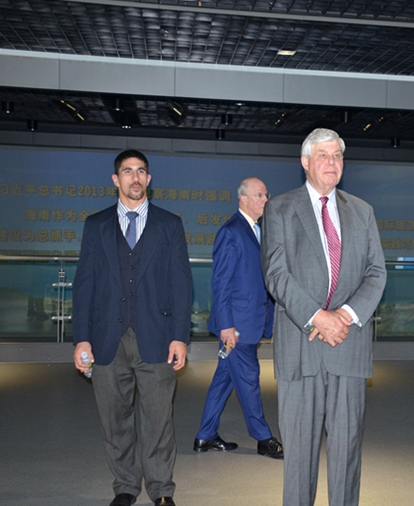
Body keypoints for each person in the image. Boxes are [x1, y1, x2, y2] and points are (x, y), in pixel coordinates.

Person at [261, 128, 387, 506]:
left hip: (348, 344)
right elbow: (276, 274)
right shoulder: (280, 208)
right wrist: (318, 317)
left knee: (347, 453)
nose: (332, 163)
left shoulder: (362, 211)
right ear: (305, 162)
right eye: (323, 155)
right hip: (301, 346)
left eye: (337, 156)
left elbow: (376, 273)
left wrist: (343, 316)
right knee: (299, 457)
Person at [73, 149, 193, 506]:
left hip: (157, 337)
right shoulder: (95, 225)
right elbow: (84, 285)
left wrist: (180, 337)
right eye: (127, 171)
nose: (135, 178)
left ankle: (161, 490)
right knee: (115, 420)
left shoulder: (169, 224)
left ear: (149, 179)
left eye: (141, 171)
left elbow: (181, 284)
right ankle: (125, 486)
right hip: (106, 339)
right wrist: (82, 339)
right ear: (116, 179)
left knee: (158, 420)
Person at [193, 177, 283, 459]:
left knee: (224, 379)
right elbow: (221, 283)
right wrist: (226, 325)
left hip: (248, 321)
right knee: (249, 378)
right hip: (237, 327)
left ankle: (205, 435)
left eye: (266, 195)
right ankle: (263, 438)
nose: (265, 200)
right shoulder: (231, 232)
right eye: (260, 195)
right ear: (243, 199)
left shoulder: (255, 230)